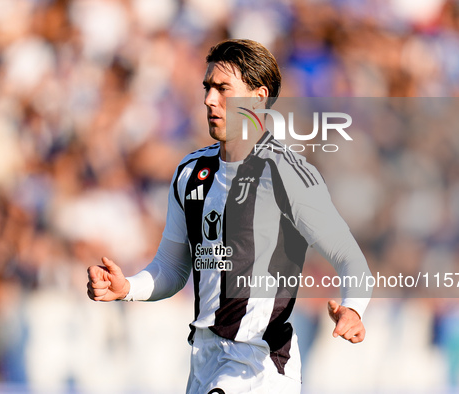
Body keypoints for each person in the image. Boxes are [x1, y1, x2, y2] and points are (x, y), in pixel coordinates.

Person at [87, 39, 372, 394]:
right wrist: (128, 287)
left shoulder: (287, 174)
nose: (209, 99)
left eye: (223, 89)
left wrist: (353, 308)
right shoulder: (191, 172)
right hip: (204, 361)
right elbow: (172, 267)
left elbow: (350, 258)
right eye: (207, 87)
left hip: (258, 365)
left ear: (257, 97)